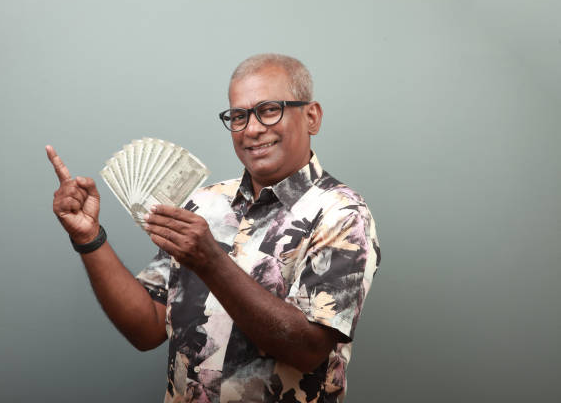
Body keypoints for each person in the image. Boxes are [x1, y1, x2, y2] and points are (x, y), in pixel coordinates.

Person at [47, 53, 381, 402]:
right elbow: (146, 327)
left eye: (269, 110)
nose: (251, 129)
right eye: (239, 116)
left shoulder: (342, 214)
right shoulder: (203, 205)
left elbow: (308, 349)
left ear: (311, 117)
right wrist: (89, 239)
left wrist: (211, 262)